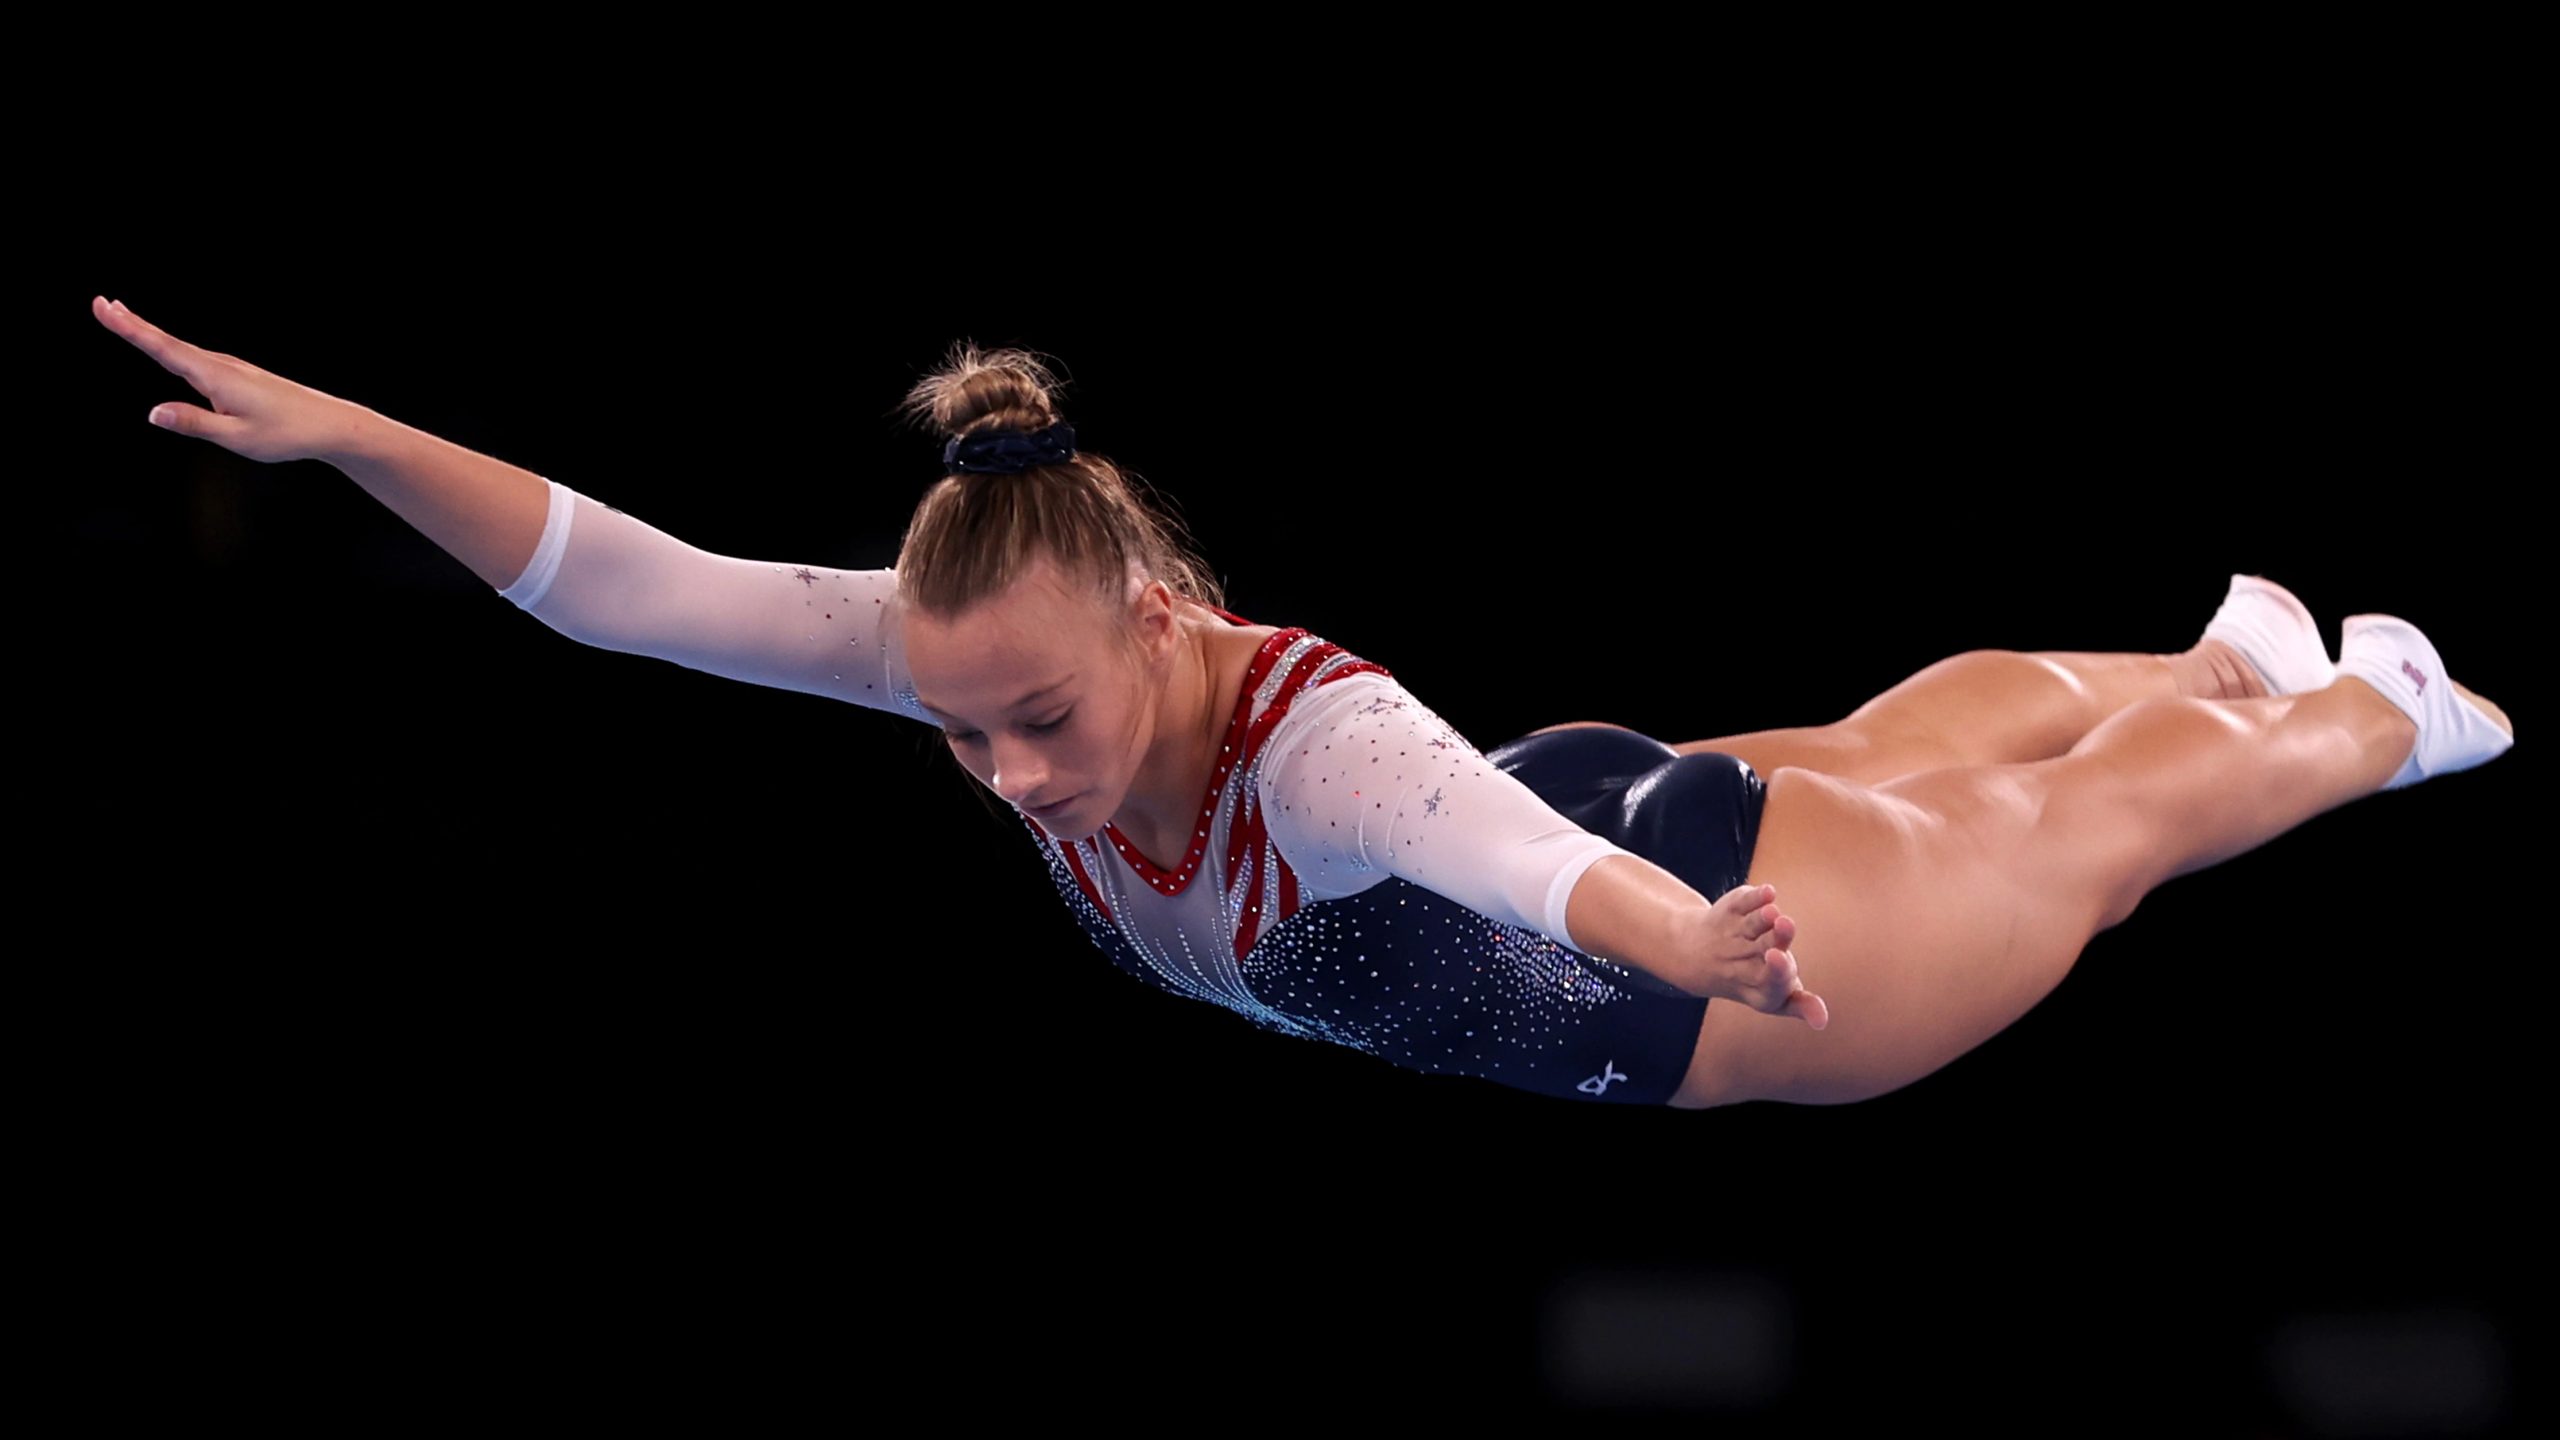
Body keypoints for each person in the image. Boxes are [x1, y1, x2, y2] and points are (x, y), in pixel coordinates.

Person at [92, 294, 2517, 1110]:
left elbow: (1518, 867)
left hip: (1741, 987)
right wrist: (346, 437)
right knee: (1891, 745)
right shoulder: (976, 631)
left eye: (1035, 720)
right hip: (1609, 831)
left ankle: (2370, 707)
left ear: (1152, 614)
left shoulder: (1313, 745)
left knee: (2101, 843)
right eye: (962, 733)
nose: (1005, 772)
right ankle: (2218, 647)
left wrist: (1678, 949)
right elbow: (629, 586)